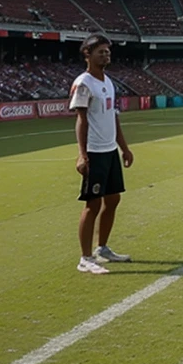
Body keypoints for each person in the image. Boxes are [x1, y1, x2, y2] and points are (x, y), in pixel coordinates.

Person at [70, 34, 134, 274]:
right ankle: (85, 258)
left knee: (113, 199)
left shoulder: (108, 81)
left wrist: (124, 147)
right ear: (87, 54)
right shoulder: (84, 83)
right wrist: (82, 154)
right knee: (92, 204)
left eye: (108, 51)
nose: (106, 55)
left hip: (110, 151)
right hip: (95, 152)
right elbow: (81, 119)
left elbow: (113, 117)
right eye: (100, 51)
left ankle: (102, 248)